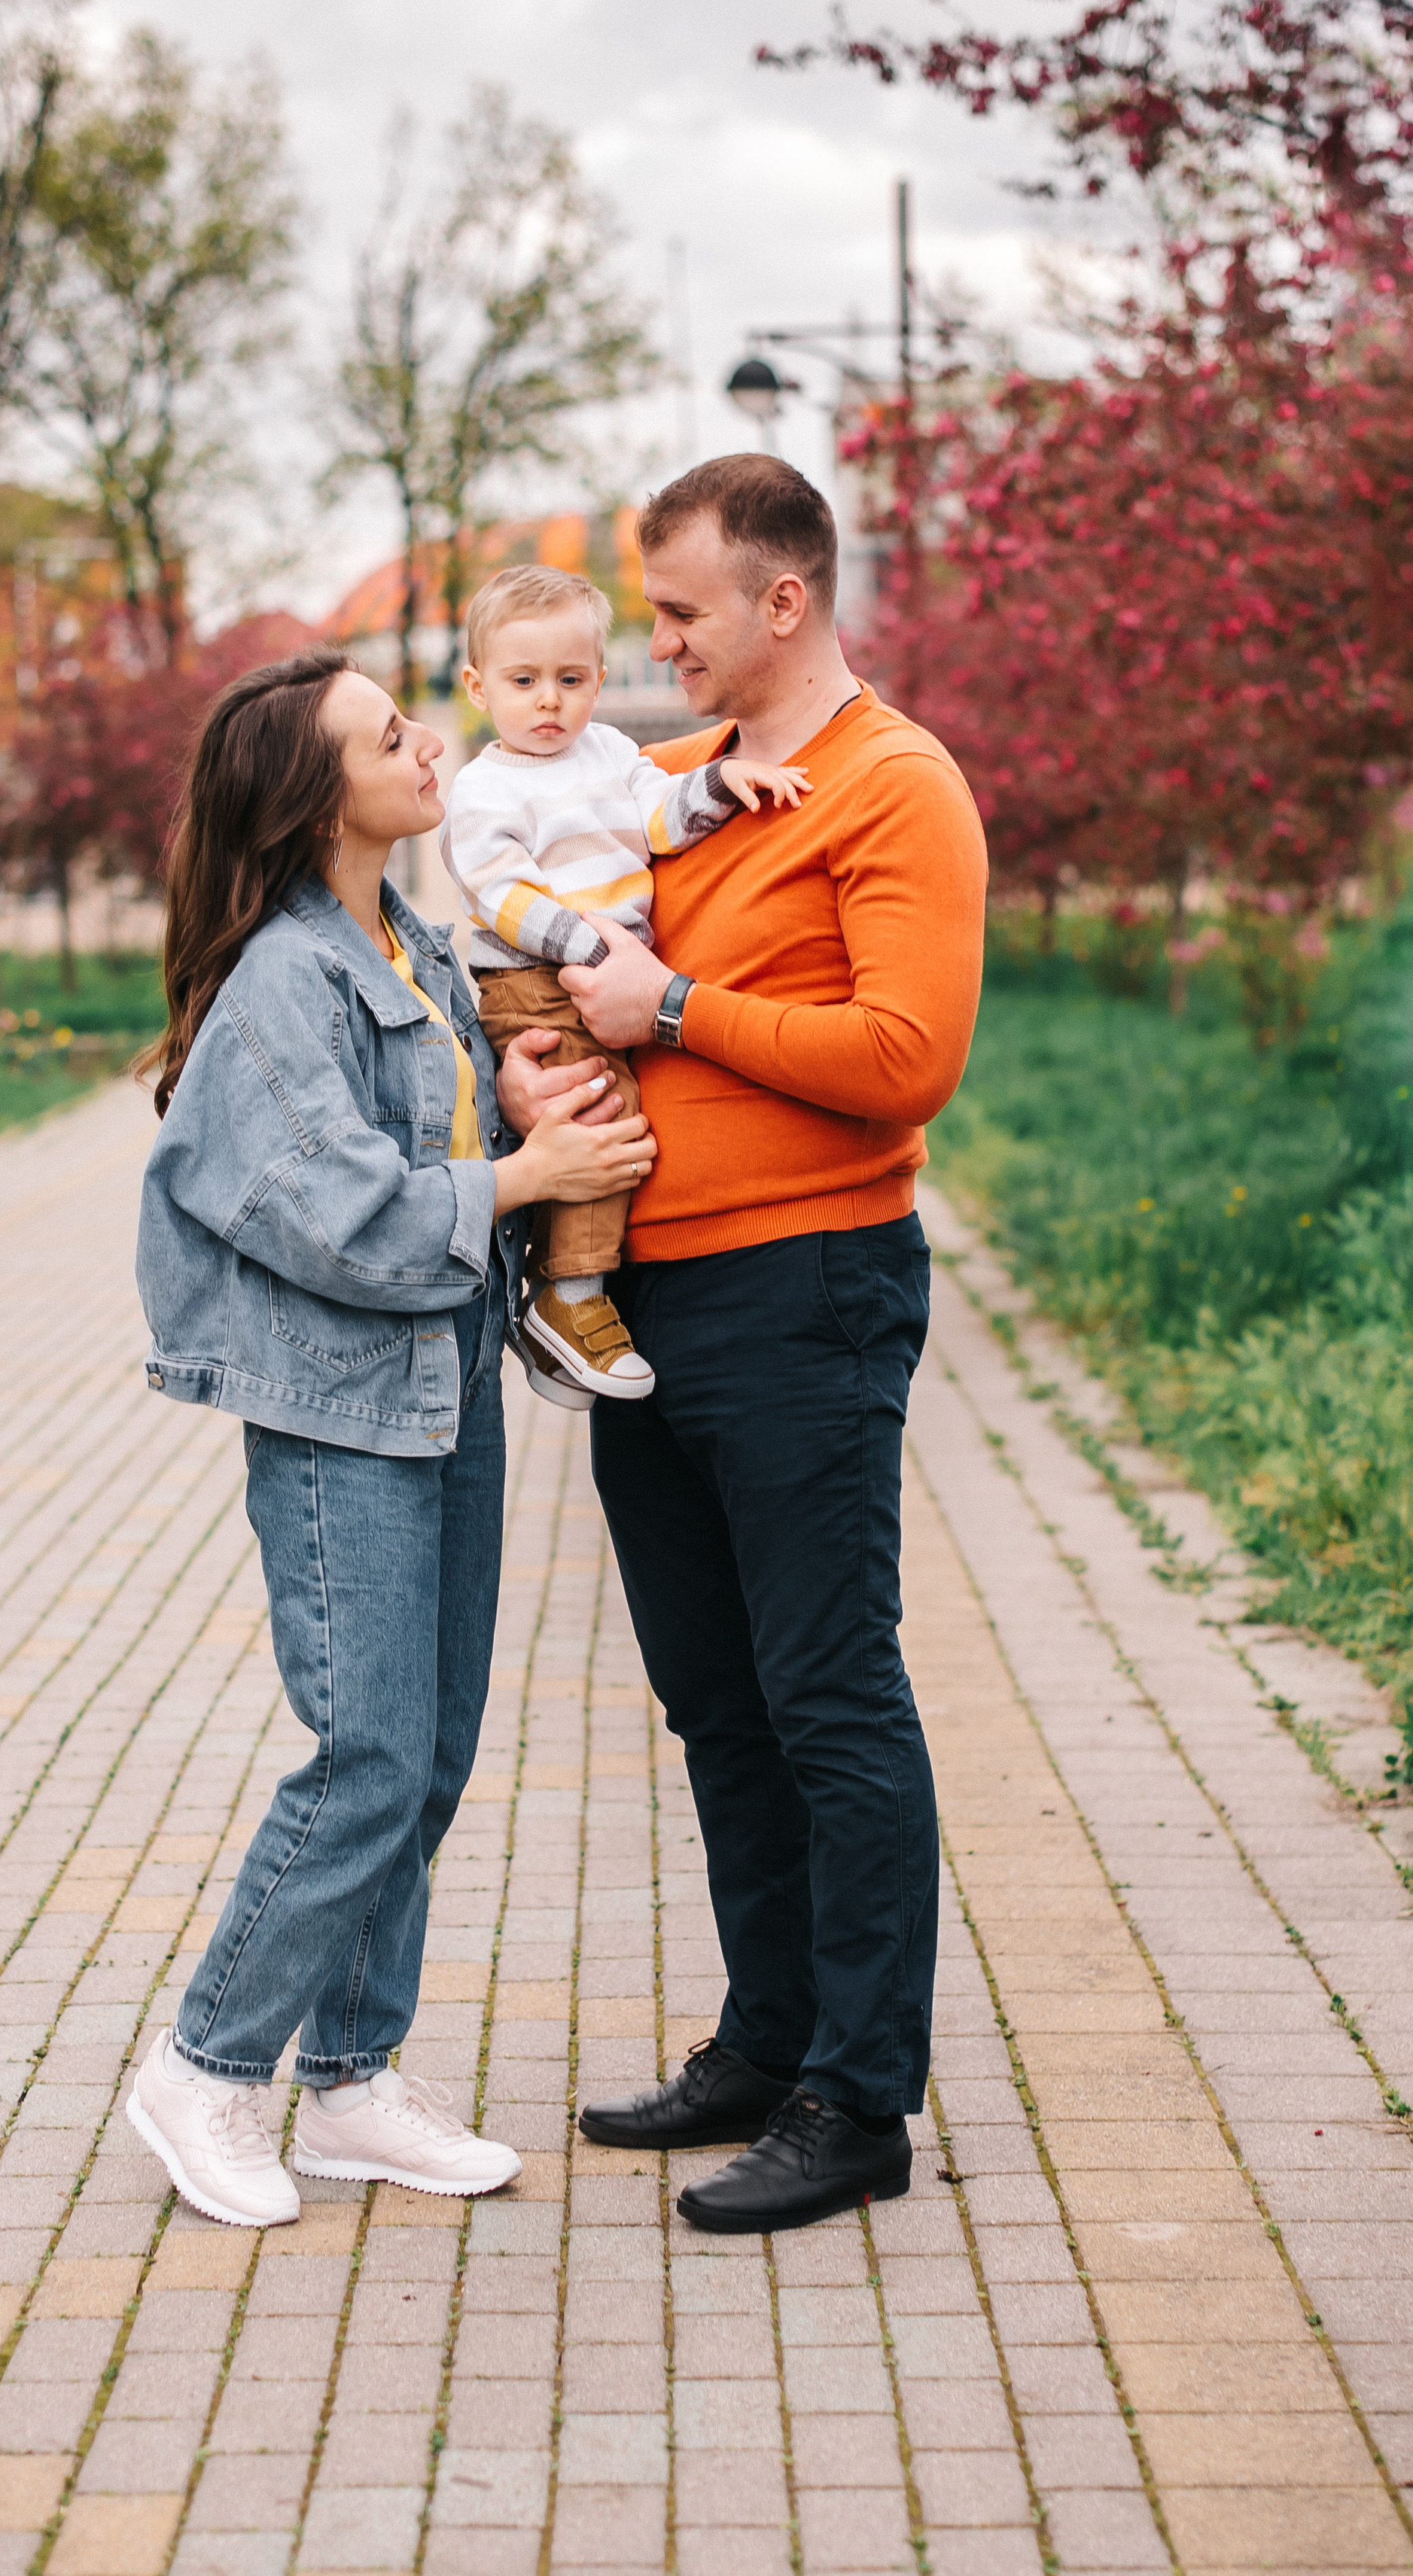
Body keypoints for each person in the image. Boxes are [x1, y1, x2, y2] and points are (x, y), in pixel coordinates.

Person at [500, 454, 987, 2234]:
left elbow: (904, 1054)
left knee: (826, 1692)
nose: (657, 640)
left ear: (782, 599)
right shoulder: (673, 791)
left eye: (683, 610)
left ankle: (859, 2100)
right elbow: (569, 976)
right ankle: (766, 2041)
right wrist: (539, 1059)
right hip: (645, 1300)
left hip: (805, 1288)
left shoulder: (889, 783)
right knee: (714, 1702)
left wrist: (679, 1006)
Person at [129, 644, 656, 2228]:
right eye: (386, 735)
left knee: (424, 1756)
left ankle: (350, 2085)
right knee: (363, 1756)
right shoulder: (286, 973)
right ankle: (206, 2068)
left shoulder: (405, 936)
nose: (429, 742)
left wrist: (509, 1109)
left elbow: (414, 1136)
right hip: (338, 1409)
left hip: (439, 1388)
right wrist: (524, 1183)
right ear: (315, 794)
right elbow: (335, 1213)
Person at [441, 560, 808, 1400]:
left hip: (589, 964)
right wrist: (587, 944)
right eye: (523, 680)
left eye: (570, 680)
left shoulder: (608, 752)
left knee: (602, 1116)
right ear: (476, 686)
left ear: (600, 681)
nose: (548, 701)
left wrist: (722, 782)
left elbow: (660, 815)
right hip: (535, 975)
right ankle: (569, 1300)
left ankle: (561, 1311)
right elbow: (498, 894)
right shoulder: (485, 787)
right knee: (603, 1114)